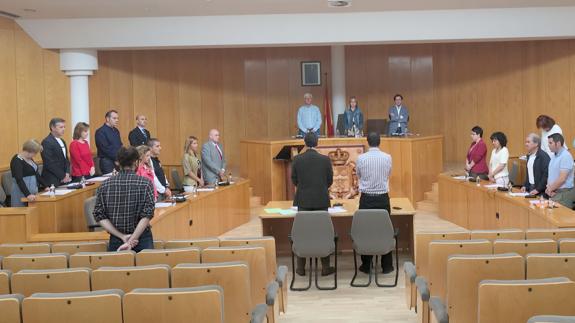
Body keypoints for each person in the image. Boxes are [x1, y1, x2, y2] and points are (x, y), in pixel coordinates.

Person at [93, 146, 155, 252]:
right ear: (136, 162)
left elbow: (99, 215)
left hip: (117, 239)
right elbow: (147, 215)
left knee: (117, 269)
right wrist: (132, 239)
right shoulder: (145, 183)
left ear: (118, 163)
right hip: (142, 239)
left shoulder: (105, 185)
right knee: (146, 268)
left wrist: (122, 236)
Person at [291, 132, 335, 276]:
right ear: (317, 143)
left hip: (303, 200)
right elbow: (329, 180)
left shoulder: (297, 159)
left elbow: (294, 180)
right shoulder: (325, 160)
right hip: (321, 200)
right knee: (322, 231)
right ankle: (325, 267)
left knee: (303, 231)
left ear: (304, 142)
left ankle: (301, 268)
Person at [355, 132, 394, 274]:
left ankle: (366, 265)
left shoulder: (361, 158)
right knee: (385, 229)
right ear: (379, 142)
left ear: (367, 142)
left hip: (366, 199)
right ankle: (387, 266)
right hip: (383, 198)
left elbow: (358, 174)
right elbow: (388, 173)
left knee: (367, 231)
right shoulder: (387, 157)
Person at [10, 140, 47, 207]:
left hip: (33, 192)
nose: (35, 155)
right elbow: (19, 179)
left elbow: (36, 174)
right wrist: (28, 194)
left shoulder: (30, 159)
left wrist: (46, 186)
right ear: (29, 151)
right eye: (35, 153)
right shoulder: (16, 160)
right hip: (21, 192)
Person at [545, 133, 575, 208]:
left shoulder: (565, 156)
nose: (548, 145)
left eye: (550, 143)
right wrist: (549, 189)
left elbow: (562, 179)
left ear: (558, 143)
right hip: (553, 191)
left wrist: (550, 189)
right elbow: (552, 175)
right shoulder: (554, 156)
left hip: (563, 193)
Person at [41, 118, 71, 187]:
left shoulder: (62, 141)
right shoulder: (46, 142)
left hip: (64, 178)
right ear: (53, 128)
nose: (63, 129)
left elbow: (66, 159)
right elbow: (49, 163)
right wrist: (62, 176)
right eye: (61, 127)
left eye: (64, 127)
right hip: (52, 179)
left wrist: (67, 173)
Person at [95, 110, 122, 174]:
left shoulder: (116, 130)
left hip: (118, 161)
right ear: (107, 119)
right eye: (114, 118)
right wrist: (116, 159)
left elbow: (119, 145)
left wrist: (121, 158)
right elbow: (105, 149)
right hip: (107, 162)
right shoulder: (100, 131)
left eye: (117, 118)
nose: (117, 120)